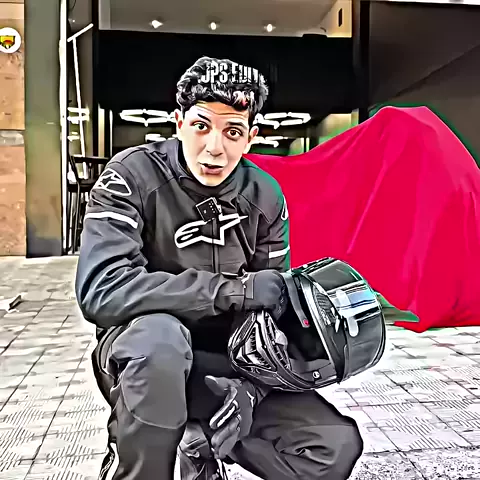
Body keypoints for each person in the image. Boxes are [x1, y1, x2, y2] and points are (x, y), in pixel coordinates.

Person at [75, 56, 363, 480]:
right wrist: (234, 290)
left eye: (232, 132)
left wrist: (252, 389)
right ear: (178, 123)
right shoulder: (130, 175)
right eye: (201, 126)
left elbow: (271, 315)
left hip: (226, 364)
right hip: (142, 358)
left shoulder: (265, 196)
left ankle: (198, 443)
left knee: (333, 445)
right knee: (161, 341)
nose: (214, 148)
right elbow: (102, 290)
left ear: (251, 137)